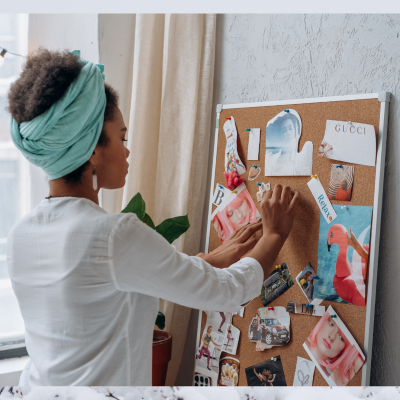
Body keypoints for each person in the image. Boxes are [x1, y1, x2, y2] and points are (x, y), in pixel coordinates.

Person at [6, 49, 301, 386]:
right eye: (122, 137)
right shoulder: (112, 235)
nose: (127, 149)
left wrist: (209, 260)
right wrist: (274, 235)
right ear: (91, 150)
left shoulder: (20, 236)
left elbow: (103, 290)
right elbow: (227, 292)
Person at [305, 313, 365, 385]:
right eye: (331, 323)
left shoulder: (333, 383)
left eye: (341, 338)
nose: (332, 337)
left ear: (341, 352)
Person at [265, 112, 312, 176]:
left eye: (290, 128)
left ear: (295, 131)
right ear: (280, 135)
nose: (288, 133)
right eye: (284, 131)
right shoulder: (276, 161)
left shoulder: (300, 156)